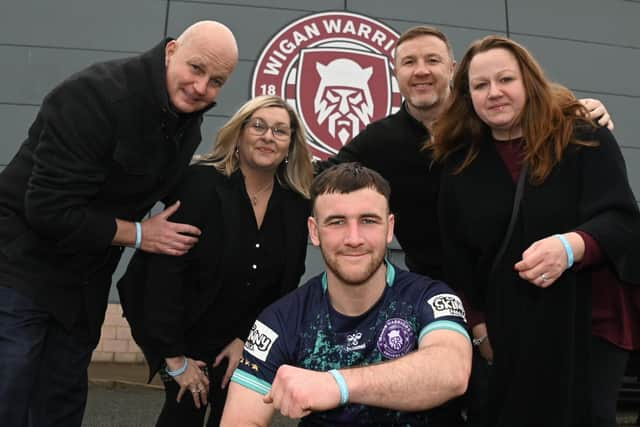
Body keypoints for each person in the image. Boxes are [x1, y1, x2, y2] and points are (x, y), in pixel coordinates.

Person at [0, 20, 239, 427]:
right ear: (171, 51)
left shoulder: (187, 122)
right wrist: (141, 235)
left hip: (84, 284)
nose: (201, 88)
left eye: (216, 81)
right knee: (9, 392)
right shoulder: (93, 96)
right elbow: (47, 208)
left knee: (60, 405)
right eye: (196, 69)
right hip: (20, 269)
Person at [432, 35, 640, 427]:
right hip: (510, 333)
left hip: (589, 326)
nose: (494, 92)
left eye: (505, 80)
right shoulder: (459, 166)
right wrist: (479, 332)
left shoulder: (584, 137)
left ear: (529, 81)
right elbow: (457, 262)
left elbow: (623, 219)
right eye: (480, 85)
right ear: (466, 96)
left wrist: (571, 246)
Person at [317, 25, 614, 281]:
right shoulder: (379, 140)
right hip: (435, 291)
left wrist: (576, 112)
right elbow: (316, 176)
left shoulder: (486, 117)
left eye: (433, 60)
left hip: (524, 281)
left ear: (452, 69)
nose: (421, 70)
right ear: (396, 73)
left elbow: (539, 112)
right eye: (409, 62)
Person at [220, 163, 472, 426]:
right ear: (314, 232)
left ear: (389, 228)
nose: (354, 239)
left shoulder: (429, 298)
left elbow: (451, 372)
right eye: (337, 222)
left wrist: (336, 384)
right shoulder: (282, 319)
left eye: (368, 221)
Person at [116, 95, 313, 426]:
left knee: (235, 416)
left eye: (280, 131)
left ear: (291, 145)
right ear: (239, 133)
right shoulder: (202, 183)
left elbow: (287, 280)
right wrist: (175, 359)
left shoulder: (296, 202)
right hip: (184, 335)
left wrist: (247, 340)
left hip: (243, 338)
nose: (268, 136)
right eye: (259, 126)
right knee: (183, 413)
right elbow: (166, 273)